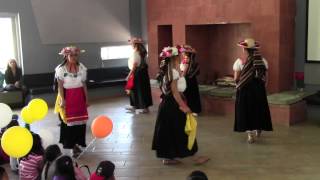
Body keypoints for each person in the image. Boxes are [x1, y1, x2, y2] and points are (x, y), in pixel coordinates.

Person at [152, 46, 209, 165]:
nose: (181, 57)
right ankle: (195, 157)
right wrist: (184, 106)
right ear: (174, 58)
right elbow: (175, 93)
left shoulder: (166, 70)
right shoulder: (173, 72)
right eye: (179, 56)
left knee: (169, 131)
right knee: (185, 130)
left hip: (166, 105)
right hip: (173, 105)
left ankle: (168, 157)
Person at [233, 38, 273, 143]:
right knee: (258, 109)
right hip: (258, 88)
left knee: (246, 110)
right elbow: (266, 77)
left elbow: (236, 78)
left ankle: (250, 135)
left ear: (244, 49)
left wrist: (238, 85)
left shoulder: (240, 61)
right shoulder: (262, 60)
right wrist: (262, 87)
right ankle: (258, 128)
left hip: (245, 89)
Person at [54, 46, 89, 157]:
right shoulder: (61, 69)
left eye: (75, 55)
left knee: (80, 123)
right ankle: (72, 146)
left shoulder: (82, 68)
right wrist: (63, 100)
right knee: (69, 124)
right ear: (66, 56)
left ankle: (78, 144)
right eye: (71, 55)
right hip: (68, 96)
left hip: (79, 97)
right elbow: (60, 86)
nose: (74, 57)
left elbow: (83, 84)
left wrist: (86, 99)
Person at [125, 37, 153, 114]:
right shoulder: (142, 53)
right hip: (142, 73)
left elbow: (134, 66)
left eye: (132, 44)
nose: (131, 45)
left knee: (138, 91)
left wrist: (129, 75)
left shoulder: (136, 54)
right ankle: (140, 106)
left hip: (137, 74)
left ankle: (140, 107)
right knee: (143, 90)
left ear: (135, 45)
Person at [178, 45, 202, 115]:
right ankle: (194, 109)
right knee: (193, 94)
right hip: (191, 79)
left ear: (186, 53)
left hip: (187, 79)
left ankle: (192, 109)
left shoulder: (186, 60)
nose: (182, 53)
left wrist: (181, 78)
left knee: (189, 94)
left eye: (183, 52)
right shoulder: (189, 60)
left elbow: (185, 71)